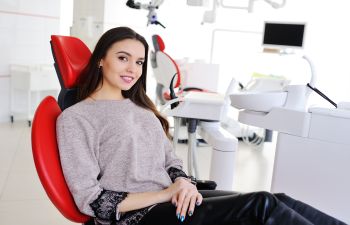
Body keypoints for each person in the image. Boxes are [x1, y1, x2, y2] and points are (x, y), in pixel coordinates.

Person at [56, 27, 347, 225]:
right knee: (261, 207)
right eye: (123, 58)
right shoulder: (77, 118)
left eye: (139, 62)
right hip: (138, 215)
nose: (133, 69)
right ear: (100, 61)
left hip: (171, 197)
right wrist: (166, 194)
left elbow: (170, 160)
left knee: (275, 199)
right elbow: (91, 202)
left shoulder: (139, 107)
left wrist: (183, 182)